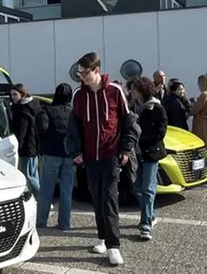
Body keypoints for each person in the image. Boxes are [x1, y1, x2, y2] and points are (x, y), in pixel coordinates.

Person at [72, 52, 138, 267]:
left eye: (85, 73)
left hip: (111, 155)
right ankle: (102, 238)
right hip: (89, 158)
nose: (81, 77)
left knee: (109, 199)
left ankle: (113, 246)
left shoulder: (115, 91)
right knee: (97, 198)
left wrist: (126, 149)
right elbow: (74, 128)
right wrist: (76, 150)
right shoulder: (78, 95)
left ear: (97, 70)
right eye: (79, 73)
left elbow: (129, 122)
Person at [129, 77, 168, 241]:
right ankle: (150, 215)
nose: (132, 93)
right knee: (136, 186)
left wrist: (141, 138)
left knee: (148, 188)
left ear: (142, 91)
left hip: (150, 152)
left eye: (135, 90)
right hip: (136, 154)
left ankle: (146, 225)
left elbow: (161, 132)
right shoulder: (133, 107)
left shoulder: (156, 107)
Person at [36, 83, 78, 231]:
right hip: (69, 155)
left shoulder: (46, 110)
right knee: (67, 191)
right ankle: (64, 224)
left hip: (51, 153)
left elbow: (42, 131)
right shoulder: (74, 112)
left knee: (46, 190)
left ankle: (41, 222)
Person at [9, 83, 41, 194]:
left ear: (22, 94)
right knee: (33, 174)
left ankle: (42, 198)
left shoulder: (22, 110)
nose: (12, 97)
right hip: (34, 145)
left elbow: (21, 131)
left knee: (28, 175)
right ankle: (40, 199)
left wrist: (18, 146)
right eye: (11, 95)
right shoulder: (34, 105)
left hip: (27, 146)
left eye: (15, 94)